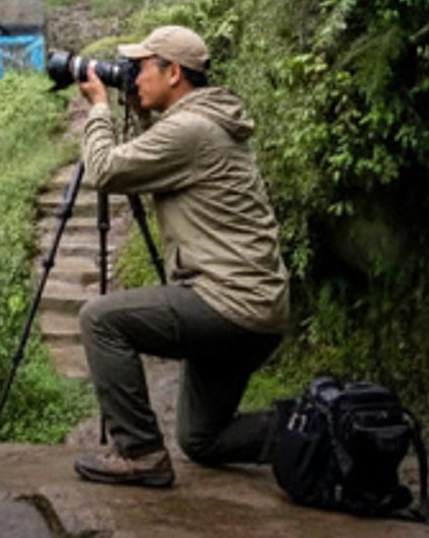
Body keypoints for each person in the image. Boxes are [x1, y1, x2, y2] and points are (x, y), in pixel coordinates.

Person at [68, 24, 290, 489]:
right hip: (257, 309)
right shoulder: (205, 123)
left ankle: (141, 454)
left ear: (173, 73)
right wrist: (135, 111)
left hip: (227, 303)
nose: (132, 76)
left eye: (139, 67)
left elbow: (106, 169)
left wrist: (100, 109)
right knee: (202, 439)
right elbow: (160, 153)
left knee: (100, 320)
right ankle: (311, 431)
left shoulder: (190, 130)